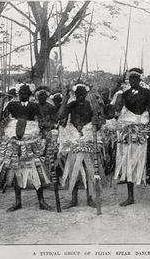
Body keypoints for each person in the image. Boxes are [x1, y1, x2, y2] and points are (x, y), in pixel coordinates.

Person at [0, 83, 53, 211]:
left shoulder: (35, 106)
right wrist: (2, 101)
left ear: (30, 94)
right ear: (18, 93)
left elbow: (43, 121)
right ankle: (17, 201)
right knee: (15, 168)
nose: (23, 94)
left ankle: (41, 201)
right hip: (13, 140)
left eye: (26, 92)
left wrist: (46, 131)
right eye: (21, 91)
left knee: (35, 167)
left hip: (31, 140)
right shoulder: (12, 104)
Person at [112, 68, 150, 206]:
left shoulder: (146, 93)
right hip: (129, 130)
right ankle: (130, 197)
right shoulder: (125, 93)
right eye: (131, 80)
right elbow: (117, 110)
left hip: (144, 128)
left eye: (135, 79)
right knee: (128, 160)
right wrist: (118, 93)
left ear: (139, 80)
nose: (133, 82)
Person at [58, 81, 103, 209]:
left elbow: (98, 123)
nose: (80, 97)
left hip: (88, 138)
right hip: (74, 139)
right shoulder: (71, 105)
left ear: (86, 94)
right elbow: (60, 116)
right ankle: (73, 199)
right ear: (75, 94)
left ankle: (90, 198)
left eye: (82, 94)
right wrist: (65, 98)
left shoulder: (91, 106)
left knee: (90, 169)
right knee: (74, 168)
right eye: (78, 94)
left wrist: (95, 123)